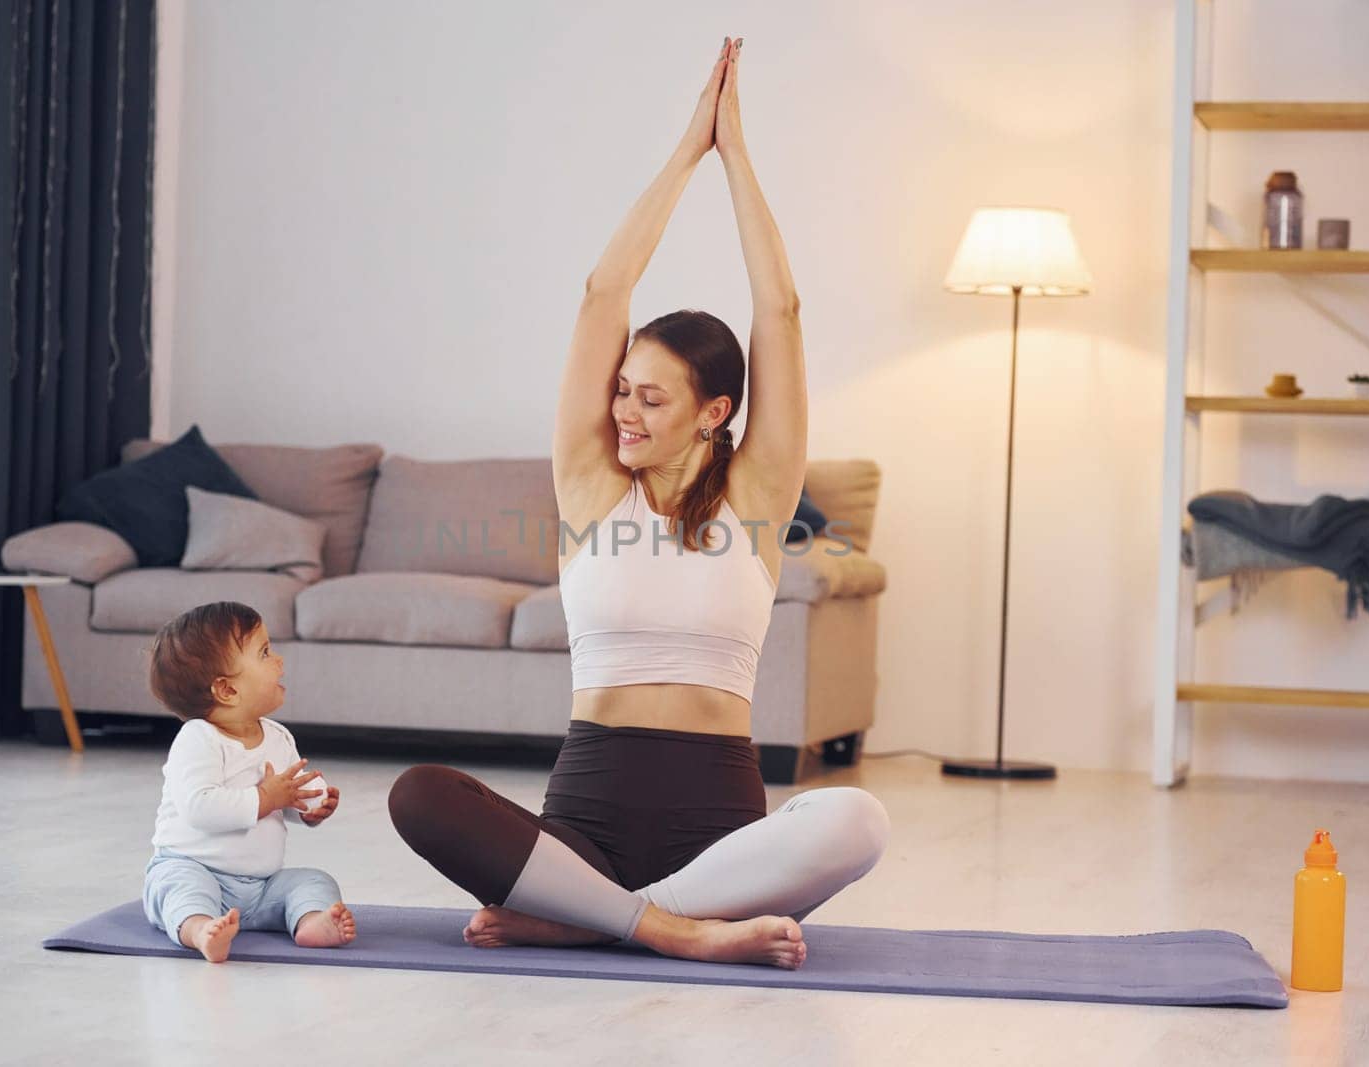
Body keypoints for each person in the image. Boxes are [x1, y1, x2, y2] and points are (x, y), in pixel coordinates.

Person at [388, 36, 888, 970]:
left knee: (858, 818)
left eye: (651, 399)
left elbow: (778, 314)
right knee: (419, 793)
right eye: (622, 390)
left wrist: (737, 156)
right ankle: (669, 928)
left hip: (719, 830)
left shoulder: (756, 499)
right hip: (587, 818)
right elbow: (603, 290)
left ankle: (599, 919)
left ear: (715, 413)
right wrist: (684, 152)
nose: (623, 411)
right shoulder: (590, 488)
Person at [142, 601, 358, 963]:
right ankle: (200, 931)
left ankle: (311, 922)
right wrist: (265, 799)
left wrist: (310, 806)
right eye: (264, 653)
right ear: (226, 691)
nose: (279, 662)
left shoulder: (277, 737)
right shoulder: (198, 739)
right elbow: (200, 808)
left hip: (260, 887)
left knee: (313, 880)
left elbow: (288, 793)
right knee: (180, 889)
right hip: (194, 868)